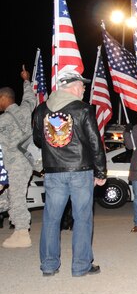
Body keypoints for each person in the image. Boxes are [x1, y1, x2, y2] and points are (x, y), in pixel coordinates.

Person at [31, 65, 106, 276]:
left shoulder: (41, 110)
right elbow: (95, 143)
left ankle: (48, 265)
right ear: (72, 87)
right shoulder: (82, 109)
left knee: (51, 219)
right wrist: (100, 173)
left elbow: (38, 139)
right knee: (82, 219)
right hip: (80, 171)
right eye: (81, 85)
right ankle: (81, 266)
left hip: (54, 171)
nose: (84, 89)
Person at [0, 66, 37, 248]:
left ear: (4, 99)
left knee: (16, 197)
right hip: (27, 162)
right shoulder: (24, 110)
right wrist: (26, 80)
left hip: (15, 165)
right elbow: (31, 98)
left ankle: (22, 233)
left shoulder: (3, 120)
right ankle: (18, 226)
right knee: (9, 197)